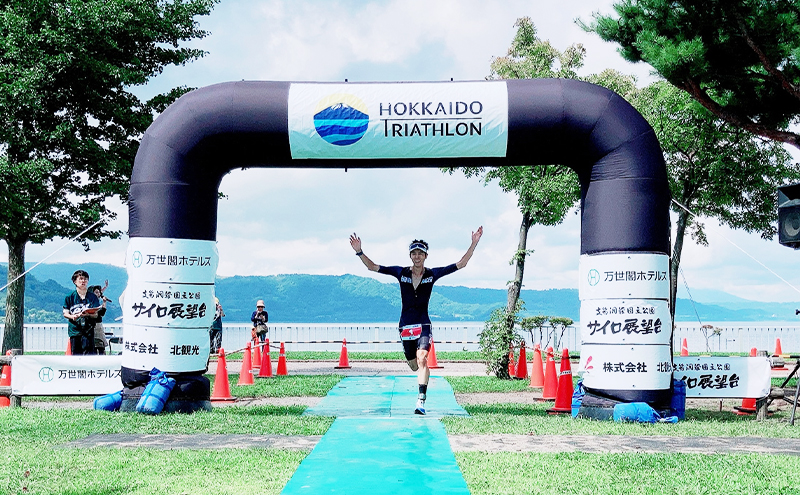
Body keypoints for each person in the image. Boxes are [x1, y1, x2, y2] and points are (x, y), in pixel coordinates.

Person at [350, 227, 483, 415]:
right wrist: (359, 251)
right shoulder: (401, 272)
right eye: (414, 253)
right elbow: (373, 267)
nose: (417, 256)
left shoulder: (431, 274)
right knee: (414, 365)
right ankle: (420, 376)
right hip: (405, 325)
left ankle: (421, 400)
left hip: (423, 324)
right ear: (410, 256)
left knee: (423, 358)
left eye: (421, 253)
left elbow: (461, 264)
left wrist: (474, 243)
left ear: (426, 256)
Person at [62, 270, 102, 355]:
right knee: (76, 355)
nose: (83, 281)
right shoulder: (69, 297)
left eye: (85, 279)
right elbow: (65, 313)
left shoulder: (92, 297)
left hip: (88, 330)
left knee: (89, 355)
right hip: (75, 330)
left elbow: (96, 314)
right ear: (74, 281)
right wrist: (73, 316)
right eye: (80, 279)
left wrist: (88, 314)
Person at [89, 284, 110, 354]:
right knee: (98, 345)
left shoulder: (94, 302)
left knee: (98, 346)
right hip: (96, 326)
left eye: (99, 292)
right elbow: (101, 313)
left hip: (96, 325)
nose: (99, 294)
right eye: (96, 292)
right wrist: (104, 303)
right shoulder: (92, 303)